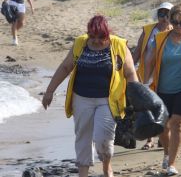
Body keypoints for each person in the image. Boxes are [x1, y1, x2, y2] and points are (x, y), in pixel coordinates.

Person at [42, 15, 138, 177]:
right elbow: (65, 67)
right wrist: (49, 91)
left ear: (107, 34)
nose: (96, 41)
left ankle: (106, 165)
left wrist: (138, 97)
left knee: (103, 139)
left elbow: (130, 73)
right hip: (82, 99)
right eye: (92, 36)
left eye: (101, 37)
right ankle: (83, 172)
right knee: (83, 137)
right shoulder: (81, 43)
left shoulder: (119, 45)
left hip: (108, 101)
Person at [144, 3, 181, 175]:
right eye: (175, 22)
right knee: (162, 127)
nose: (178, 26)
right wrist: (144, 84)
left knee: (177, 124)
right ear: (170, 21)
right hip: (162, 89)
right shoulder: (160, 39)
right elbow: (149, 61)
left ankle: (172, 164)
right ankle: (167, 153)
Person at [132, 1, 174, 150]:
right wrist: (128, 68)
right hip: (146, 75)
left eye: (167, 14)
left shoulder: (175, 31)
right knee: (148, 106)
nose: (164, 17)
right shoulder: (148, 30)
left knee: (165, 106)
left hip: (166, 75)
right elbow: (138, 51)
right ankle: (149, 139)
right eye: (161, 13)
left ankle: (162, 137)